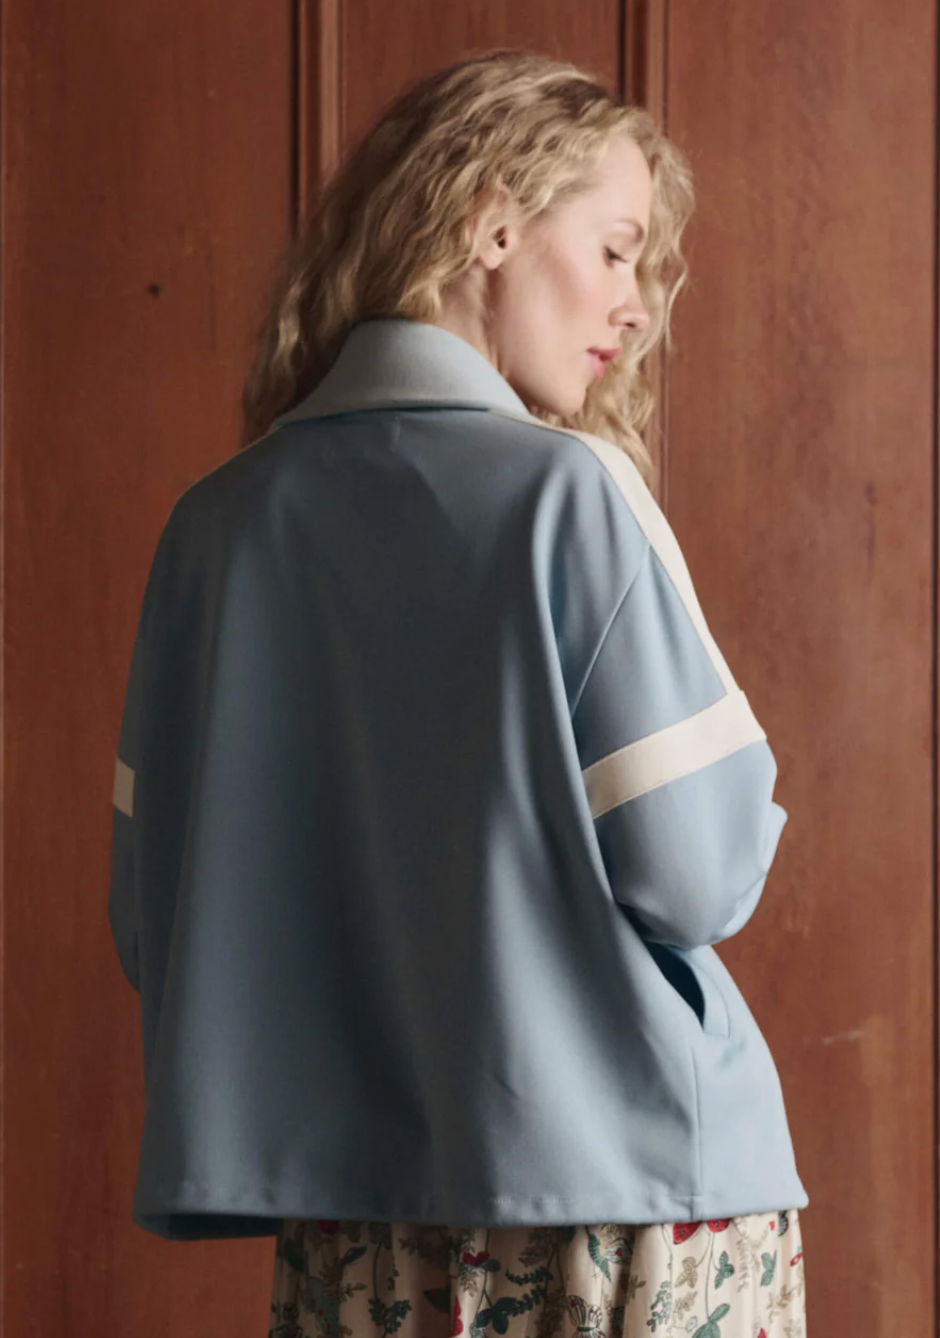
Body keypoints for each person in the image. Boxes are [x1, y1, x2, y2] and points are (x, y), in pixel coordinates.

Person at [108, 48, 809, 1338]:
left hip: (357, 1229)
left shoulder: (212, 530)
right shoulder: (570, 494)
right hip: (622, 1206)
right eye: (616, 250)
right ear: (489, 224)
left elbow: (149, 917)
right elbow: (700, 871)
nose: (635, 308)